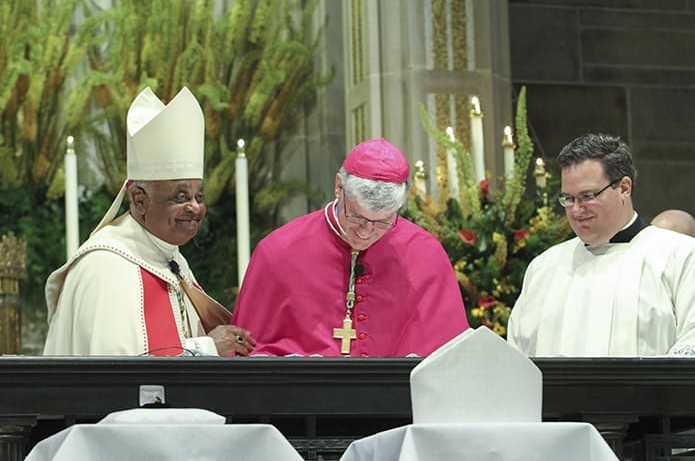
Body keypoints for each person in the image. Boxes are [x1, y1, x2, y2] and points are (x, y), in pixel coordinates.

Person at [43, 86, 255, 356]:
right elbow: (118, 371)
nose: (195, 207)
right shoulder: (106, 267)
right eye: (180, 196)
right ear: (139, 200)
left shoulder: (171, 261)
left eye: (199, 196)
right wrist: (208, 347)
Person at [230, 138, 469, 357]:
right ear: (339, 187)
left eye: (382, 222)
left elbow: (450, 359)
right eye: (356, 217)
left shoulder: (425, 254)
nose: (365, 231)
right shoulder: (279, 251)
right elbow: (246, 355)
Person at [507, 133, 695, 356]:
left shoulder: (679, 256)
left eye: (588, 196)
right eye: (568, 199)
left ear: (624, 188)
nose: (576, 210)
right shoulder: (544, 268)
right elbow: (517, 356)